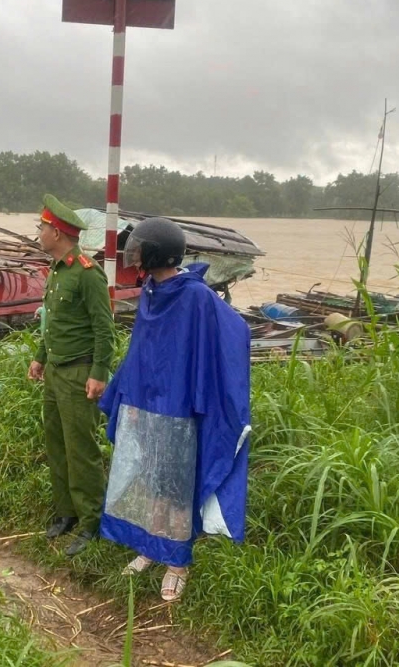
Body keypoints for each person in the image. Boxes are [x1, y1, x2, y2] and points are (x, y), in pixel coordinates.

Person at [98, 217, 251, 601]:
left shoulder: (196, 296)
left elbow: (235, 331)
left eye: (139, 249)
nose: (133, 257)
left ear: (156, 252)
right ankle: (152, 545)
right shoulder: (151, 289)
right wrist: (127, 394)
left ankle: (177, 562)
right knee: (152, 480)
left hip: (180, 404)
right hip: (146, 400)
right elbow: (143, 350)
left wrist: (204, 390)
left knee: (177, 484)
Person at [28, 194, 115, 557]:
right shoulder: (57, 270)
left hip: (80, 373)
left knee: (82, 450)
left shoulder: (86, 272)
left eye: (43, 228)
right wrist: (39, 357)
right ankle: (65, 513)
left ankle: (91, 522)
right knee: (57, 445)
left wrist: (99, 373)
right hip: (56, 372)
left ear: (59, 233)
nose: (39, 233)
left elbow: (104, 328)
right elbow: (54, 323)